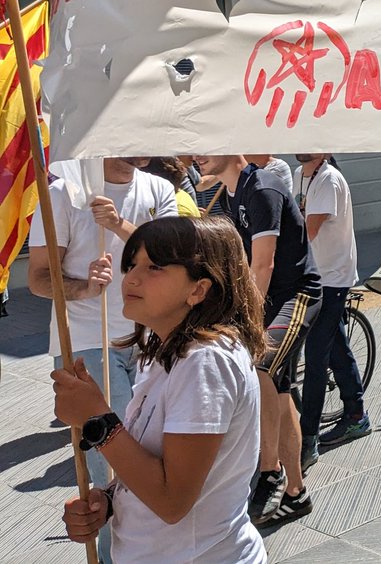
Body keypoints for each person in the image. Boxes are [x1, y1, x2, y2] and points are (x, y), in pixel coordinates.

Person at [55, 217, 267, 564]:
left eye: (154, 267)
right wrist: (108, 500)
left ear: (198, 290)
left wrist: (97, 419)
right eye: (132, 264)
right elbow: (155, 459)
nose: (131, 278)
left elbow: (172, 501)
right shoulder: (168, 352)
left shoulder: (206, 361)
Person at [28, 157, 177, 563]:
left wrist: (118, 225)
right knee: (114, 469)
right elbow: (38, 278)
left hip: (151, 339)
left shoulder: (158, 189)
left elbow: (176, 258)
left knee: (152, 456)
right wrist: (84, 288)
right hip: (88, 343)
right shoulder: (63, 193)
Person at [194, 154, 322, 526]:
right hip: (269, 301)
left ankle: (270, 470)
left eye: (206, 144)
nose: (197, 154)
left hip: (297, 296)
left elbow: (263, 264)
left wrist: (245, 320)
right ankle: (296, 493)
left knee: (260, 366)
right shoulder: (230, 193)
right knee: (280, 394)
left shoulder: (263, 189)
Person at [294, 154, 370, 478]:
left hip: (332, 279)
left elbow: (305, 231)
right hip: (314, 276)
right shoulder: (298, 174)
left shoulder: (328, 179)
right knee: (335, 346)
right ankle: (356, 414)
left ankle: (307, 440)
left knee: (315, 357)